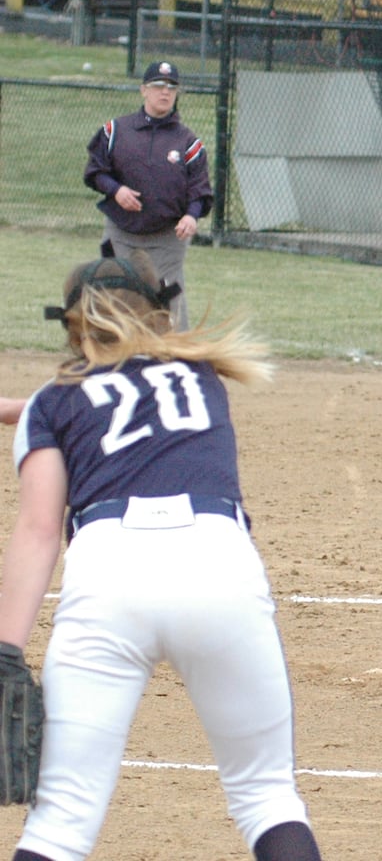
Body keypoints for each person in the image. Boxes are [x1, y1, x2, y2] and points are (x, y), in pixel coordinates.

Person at [0, 248, 324, 861]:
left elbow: (39, 530)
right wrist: (28, 409)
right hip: (217, 569)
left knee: (60, 825)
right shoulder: (205, 378)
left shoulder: (52, 405)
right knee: (267, 798)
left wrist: (4, 652)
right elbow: (130, 395)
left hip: (109, 581)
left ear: (73, 327)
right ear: (159, 314)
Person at [83, 60, 213, 331]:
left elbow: (200, 190)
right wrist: (116, 190)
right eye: (157, 86)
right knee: (116, 294)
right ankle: (111, 354)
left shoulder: (188, 142)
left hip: (168, 236)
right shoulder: (116, 131)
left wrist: (192, 215)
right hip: (122, 232)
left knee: (167, 296)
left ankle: (176, 356)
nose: (164, 92)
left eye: (171, 87)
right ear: (143, 90)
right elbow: (95, 172)